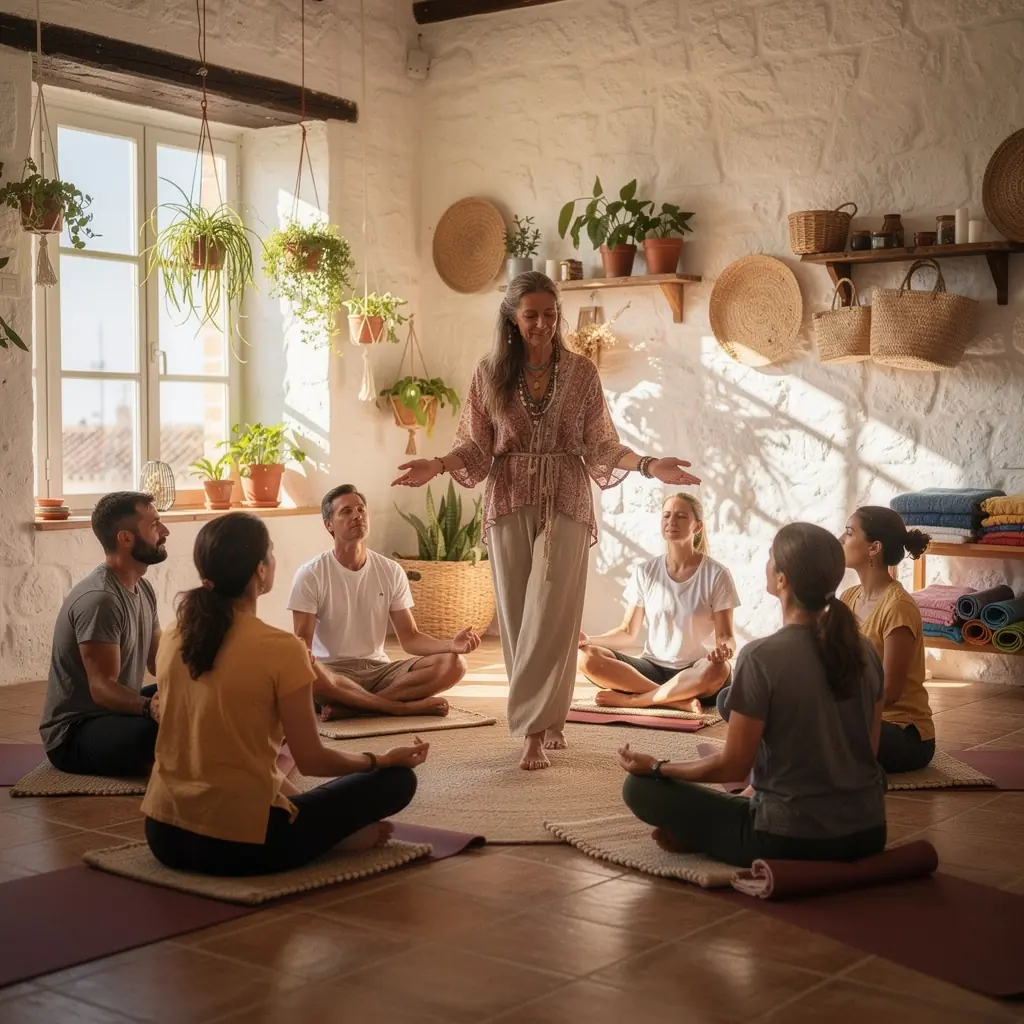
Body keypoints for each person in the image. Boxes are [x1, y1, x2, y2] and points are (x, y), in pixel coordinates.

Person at [392, 271, 701, 770]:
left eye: (550, 314)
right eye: (531, 315)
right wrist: (437, 465)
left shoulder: (581, 373)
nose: (542, 324)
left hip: (566, 498)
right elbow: (475, 447)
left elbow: (600, 444)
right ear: (513, 319)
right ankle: (549, 718)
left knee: (552, 614)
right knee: (518, 616)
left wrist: (648, 465)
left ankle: (533, 730)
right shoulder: (489, 374)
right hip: (508, 496)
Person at [143, 512, 429, 877]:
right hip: (241, 845)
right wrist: (380, 760)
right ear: (261, 570)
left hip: (163, 833)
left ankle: (321, 830)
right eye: (271, 552)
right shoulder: (282, 648)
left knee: (272, 760)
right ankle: (329, 837)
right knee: (397, 781)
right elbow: (312, 760)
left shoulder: (173, 634)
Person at [618, 523, 886, 868]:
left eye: (771, 557)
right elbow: (869, 753)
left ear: (782, 579)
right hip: (868, 832)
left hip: (787, 838)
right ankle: (710, 832)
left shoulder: (761, 656)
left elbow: (733, 766)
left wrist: (657, 767)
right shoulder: (865, 649)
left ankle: (706, 836)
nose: (767, 563)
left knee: (639, 788)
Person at [288, 484, 480, 722]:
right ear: (329, 524)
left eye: (361, 509)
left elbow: (410, 638)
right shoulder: (310, 574)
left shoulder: (390, 570)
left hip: (378, 671)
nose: (357, 515)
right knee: (307, 669)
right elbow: (302, 647)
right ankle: (398, 707)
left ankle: (356, 708)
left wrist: (451, 645)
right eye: (346, 511)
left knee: (455, 664)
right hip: (332, 674)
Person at [39, 491, 168, 777]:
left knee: (191, 702)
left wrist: (202, 682)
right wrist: (150, 708)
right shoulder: (101, 599)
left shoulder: (143, 589)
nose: (165, 531)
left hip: (116, 713)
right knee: (161, 733)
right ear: (126, 538)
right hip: (75, 732)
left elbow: (159, 662)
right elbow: (101, 687)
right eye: (154, 525)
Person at [578, 493, 739, 714]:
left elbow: (726, 636)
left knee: (719, 670)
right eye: (666, 515)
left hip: (695, 671)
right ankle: (674, 701)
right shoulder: (645, 571)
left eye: (681, 516)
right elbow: (627, 632)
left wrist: (725, 650)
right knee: (584, 657)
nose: (671, 521)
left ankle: (634, 700)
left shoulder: (717, 574)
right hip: (651, 669)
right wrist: (588, 640)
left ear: (698, 527)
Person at [839, 505, 935, 773]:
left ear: (874, 548)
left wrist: (835, 711)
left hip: (903, 733)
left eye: (849, 533)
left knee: (821, 732)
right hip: (860, 718)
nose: (840, 539)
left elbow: (890, 691)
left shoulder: (898, 607)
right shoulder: (848, 597)